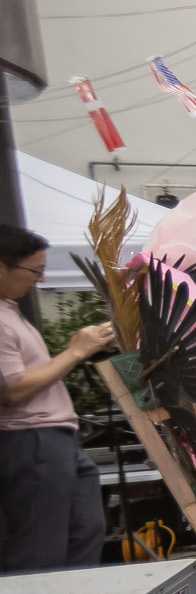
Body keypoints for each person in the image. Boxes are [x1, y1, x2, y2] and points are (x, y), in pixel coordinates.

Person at [0, 223, 115, 572]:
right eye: (34, 271)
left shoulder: (10, 311)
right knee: (42, 543)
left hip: (54, 436)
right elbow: (12, 390)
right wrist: (76, 351)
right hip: (30, 437)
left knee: (86, 529)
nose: (40, 279)